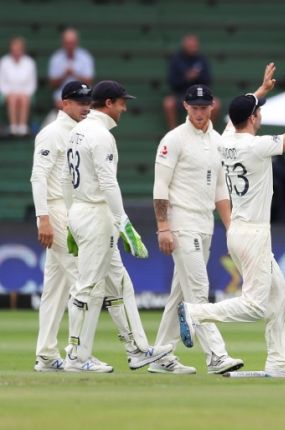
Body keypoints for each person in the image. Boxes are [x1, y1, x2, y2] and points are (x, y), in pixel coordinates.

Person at [178, 67, 285, 378]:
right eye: (258, 112)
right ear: (253, 119)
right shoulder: (257, 146)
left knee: (279, 295)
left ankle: (279, 363)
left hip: (238, 230)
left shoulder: (225, 140)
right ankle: (195, 312)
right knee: (254, 305)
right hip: (253, 234)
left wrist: (261, 89)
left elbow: (239, 113)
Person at [150, 66, 277, 374]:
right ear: (185, 107)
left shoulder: (219, 140)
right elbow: (160, 187)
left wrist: (231, 225)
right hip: (181, 223)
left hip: (204, 224)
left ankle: (161, 356)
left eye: (204, 108)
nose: (200, 113)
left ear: (213, 107)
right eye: (194, 108)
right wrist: (163, 227)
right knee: (198, 291)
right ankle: (216, 357)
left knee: (179, 293)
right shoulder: (174, 139)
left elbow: (221, 189)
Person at [64, 80, 172, 372]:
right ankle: (75, 355)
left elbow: (67, 177)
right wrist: (123, 222)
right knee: (87, 287)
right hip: (96, 215)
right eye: (122, 102)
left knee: (120, 284)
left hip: (83, 210)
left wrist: (72, 218)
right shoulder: (100, 136)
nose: (125, 107)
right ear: (109, 103)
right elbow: (107, 182)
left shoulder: (78, 131)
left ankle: (136, 349)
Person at [30, 81, 92, 371]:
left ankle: (45, 354)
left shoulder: (81, 132)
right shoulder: (51, 133)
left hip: (71, 210)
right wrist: (43, 218)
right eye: (79, 101)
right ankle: (77, 354)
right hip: (56, 211)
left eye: (88, 101)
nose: (85, 106)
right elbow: (38, 178)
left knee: (55, 289)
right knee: (83, 280)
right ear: (64, 103)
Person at [163, 34, 220, 130]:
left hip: (200, 95)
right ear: (184, 46)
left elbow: (208, 80)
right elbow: (172, 82)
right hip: (181, 94)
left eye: (194, 46)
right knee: (168, 103)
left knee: (216, 104)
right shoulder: (176, 60)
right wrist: (186, 78)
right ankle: (172, 132)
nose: (193, 48)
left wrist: (196, 77)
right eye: (190, 46)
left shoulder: (202, 59)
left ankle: (207, 130)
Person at [48, 27, 94, 107]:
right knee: (64, 104)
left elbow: (89, 81)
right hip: (62, 93)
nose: (70, 46)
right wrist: (64, 75)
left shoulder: (85, 57)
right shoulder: (56, 58)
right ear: (63, 43)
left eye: (72, 43)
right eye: (67, 43)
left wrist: (74, 74)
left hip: (82, 92)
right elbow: (52, 84)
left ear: (76, 42)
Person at [0, 36, 37, 136]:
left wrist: (24, 93)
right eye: (13, 50)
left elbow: (32, 84)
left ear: (22, 50)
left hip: (25, 94)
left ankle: (22, 127)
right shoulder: (4, 62)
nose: (16, 52)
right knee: (12, 98)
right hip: (8, 93)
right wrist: (8, 93)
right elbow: (2, 83)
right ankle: (13, 127)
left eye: (18, 50)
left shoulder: (30, 62)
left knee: (24, 99)